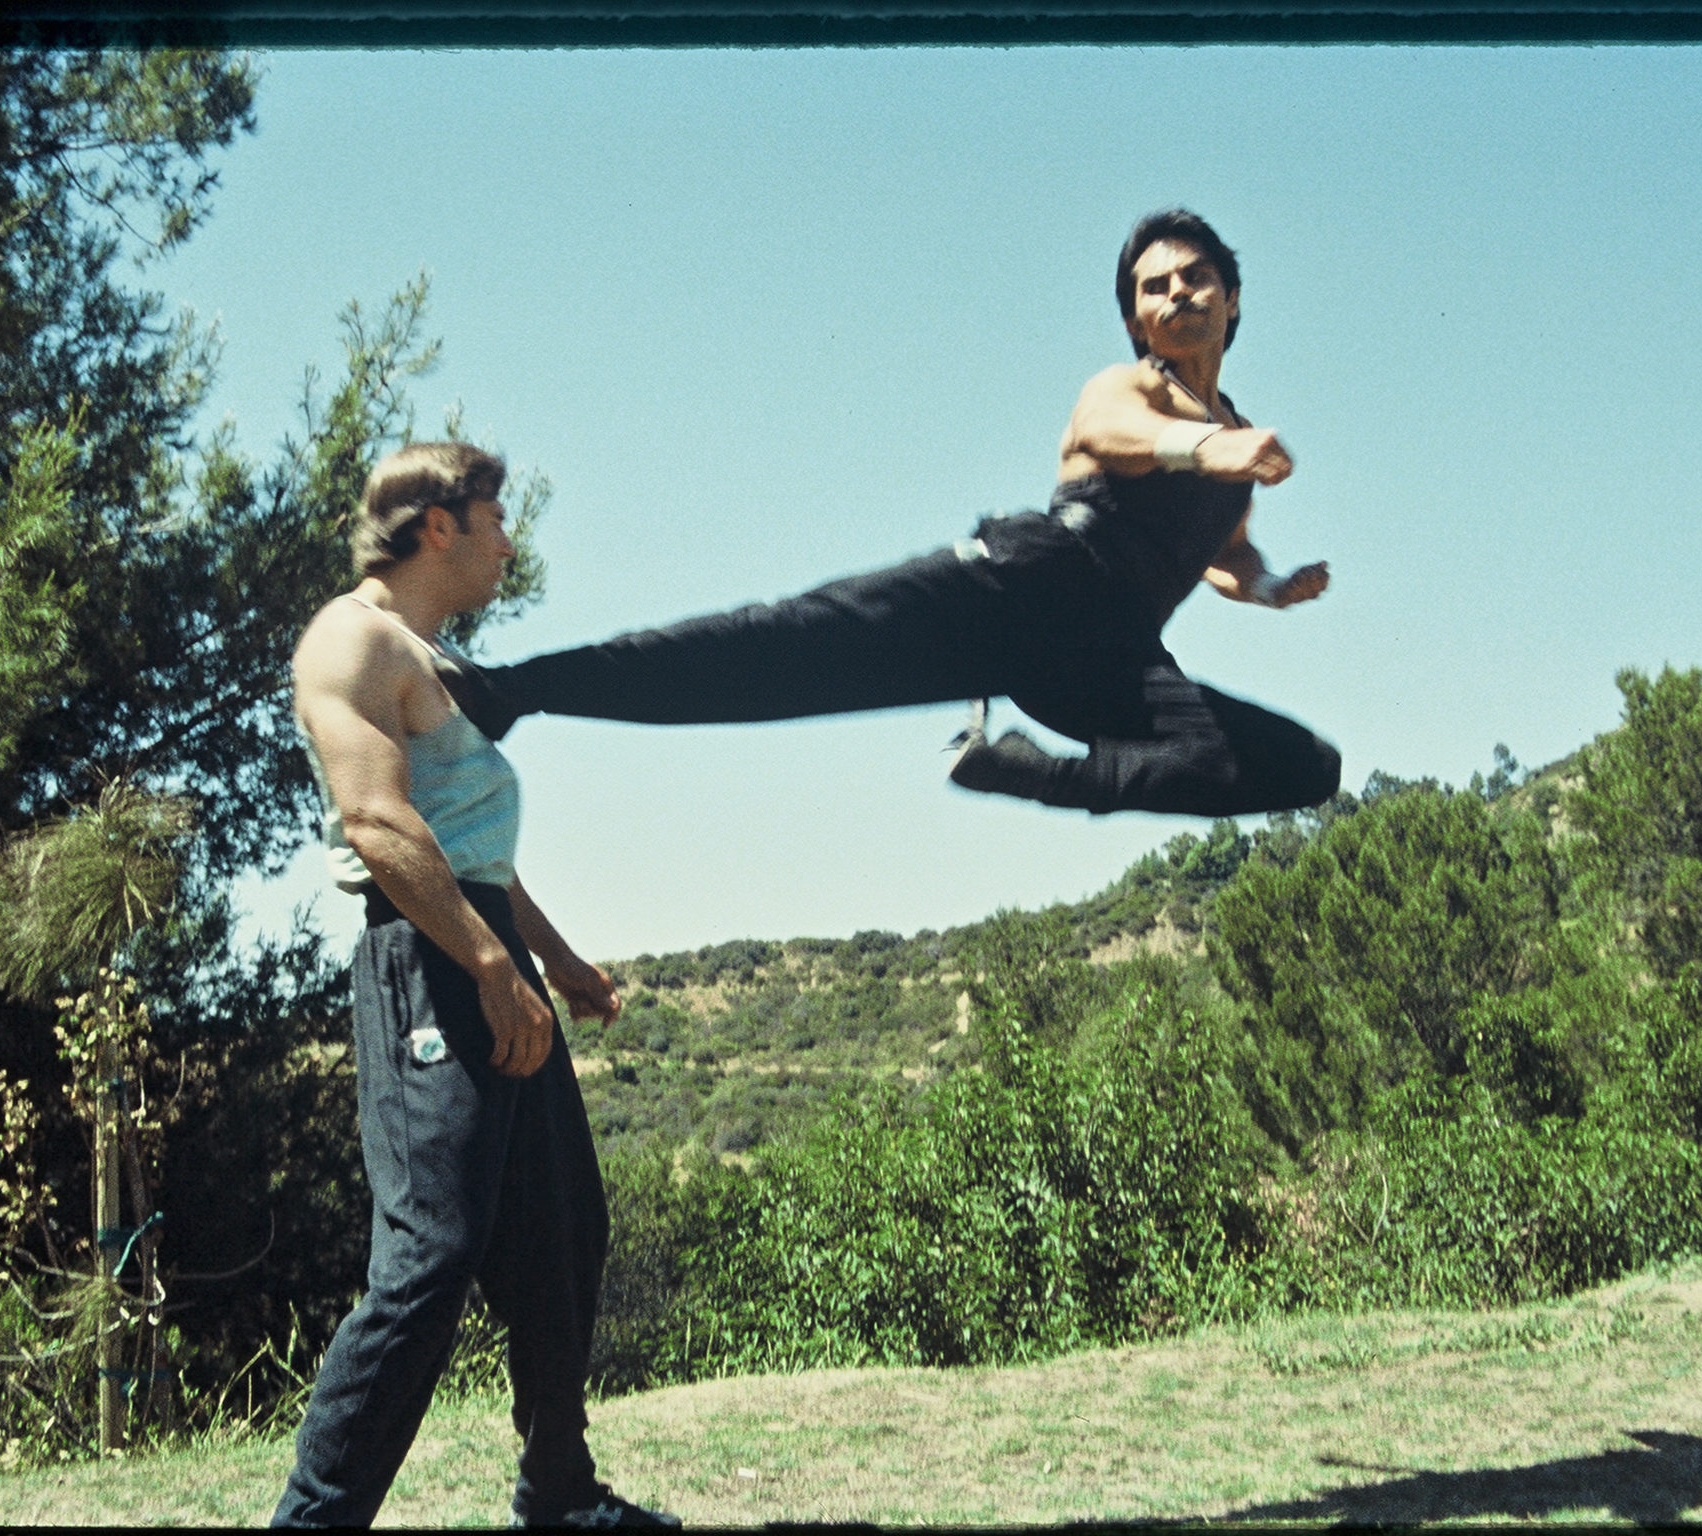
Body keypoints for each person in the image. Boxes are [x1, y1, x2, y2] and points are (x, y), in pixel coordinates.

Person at [459, 207, 1339, 819]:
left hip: (1112, 659)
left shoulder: (1236, 444)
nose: (1176, 292)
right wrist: (1203, 449)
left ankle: (1028, 775)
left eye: (1195, 277)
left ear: (1230, 295)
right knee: (779, 646)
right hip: (1023, 587)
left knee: (1302, 765)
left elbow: (1224, 550)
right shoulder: (1132, 387)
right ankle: (513, 689)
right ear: (1137, 321)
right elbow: (1109, 433)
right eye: (1154, 287)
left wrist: (1267, 586)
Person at [275, 442, 676, 1530]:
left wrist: (551, 959)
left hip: (483, 948)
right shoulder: (349, 636)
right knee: (432, 1256)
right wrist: (490, 966)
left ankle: (558, 1493)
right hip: (427, 962)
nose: (510, 541)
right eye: (496, 518)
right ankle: (311, 1520)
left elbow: (475, 852)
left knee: (563, 1228)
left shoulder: (426, 655)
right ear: (438, 525)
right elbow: (378, 824)